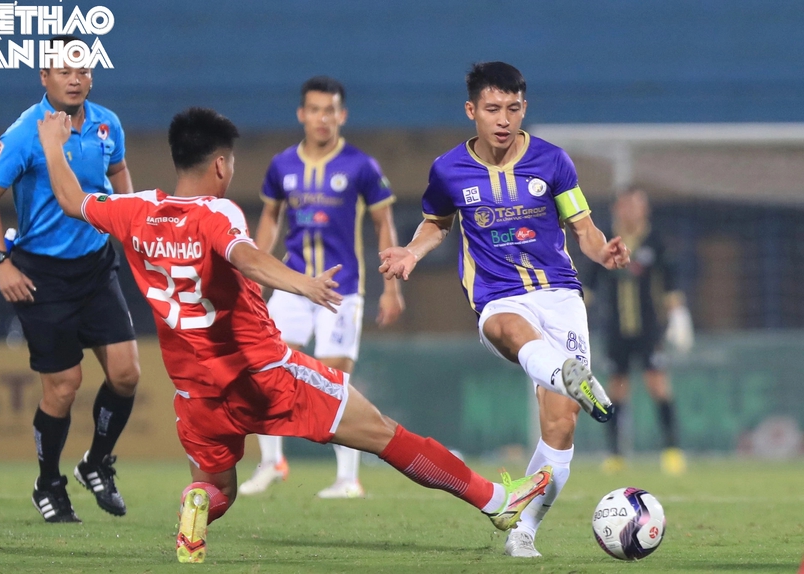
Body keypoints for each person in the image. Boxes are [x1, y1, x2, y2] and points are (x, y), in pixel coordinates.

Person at [37, 107, 553, 564]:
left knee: (218, 489)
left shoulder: (135, 210)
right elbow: (245, 256)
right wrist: (301, 283)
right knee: (384, 434)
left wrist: (53, 146)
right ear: (221, 165)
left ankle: (196, 504)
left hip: (197, 394)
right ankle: (496, 501)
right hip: (265, 375)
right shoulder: (216, 213)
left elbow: (71, 198)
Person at [378, 61, 630, 559]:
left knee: (561, 424)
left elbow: (583, 228)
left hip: (559, 294)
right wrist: (411, 251)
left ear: (524, 108)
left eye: (513, 109)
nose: (503, 119)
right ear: (471, 110)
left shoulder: (553, 161)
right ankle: (566, 374)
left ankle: (523, 530)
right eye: (492, 109)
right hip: (499, 296)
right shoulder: (449, 169)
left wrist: (603, 252)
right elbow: (436, 223)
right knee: (510, 329)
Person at [0, 35, 139, 523]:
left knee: (126, 374)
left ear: (92, 76)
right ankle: (48, 483)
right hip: (42, 275)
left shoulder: (107, 124)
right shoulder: (26, 132)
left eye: (81, 70)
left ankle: (96, 463)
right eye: (63, 70)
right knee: (64, 386)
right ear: (44, 76)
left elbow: (119, 171)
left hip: (95, 265)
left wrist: (127, 222)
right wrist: (1, 262)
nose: (74, 78)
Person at [241, 76, 405, 499]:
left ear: (341, 115)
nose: (321, 118)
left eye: (329, 110)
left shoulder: (361, 166)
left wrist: (391, 287)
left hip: (341, 290)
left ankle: (348, 478)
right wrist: (255, 269)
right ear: (302, 114)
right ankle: (272, 462)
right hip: (293, 284)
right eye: (314, 109)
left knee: (334, 379)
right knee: (264, 368)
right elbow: (271, 217)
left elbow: (383, 221)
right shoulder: (282, 165)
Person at [584, 187, 692, 476]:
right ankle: (615, 454)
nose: (634, 211)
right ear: (618, 208)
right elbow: (589, 285)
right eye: (628, 205)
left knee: (658, 385)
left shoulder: (656, 241)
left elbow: (670, 283)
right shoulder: (605, 240)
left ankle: (672, 450)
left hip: (649, 329)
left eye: (639, 205)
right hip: (615, 328)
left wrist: (678, 316)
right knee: (616, 390)